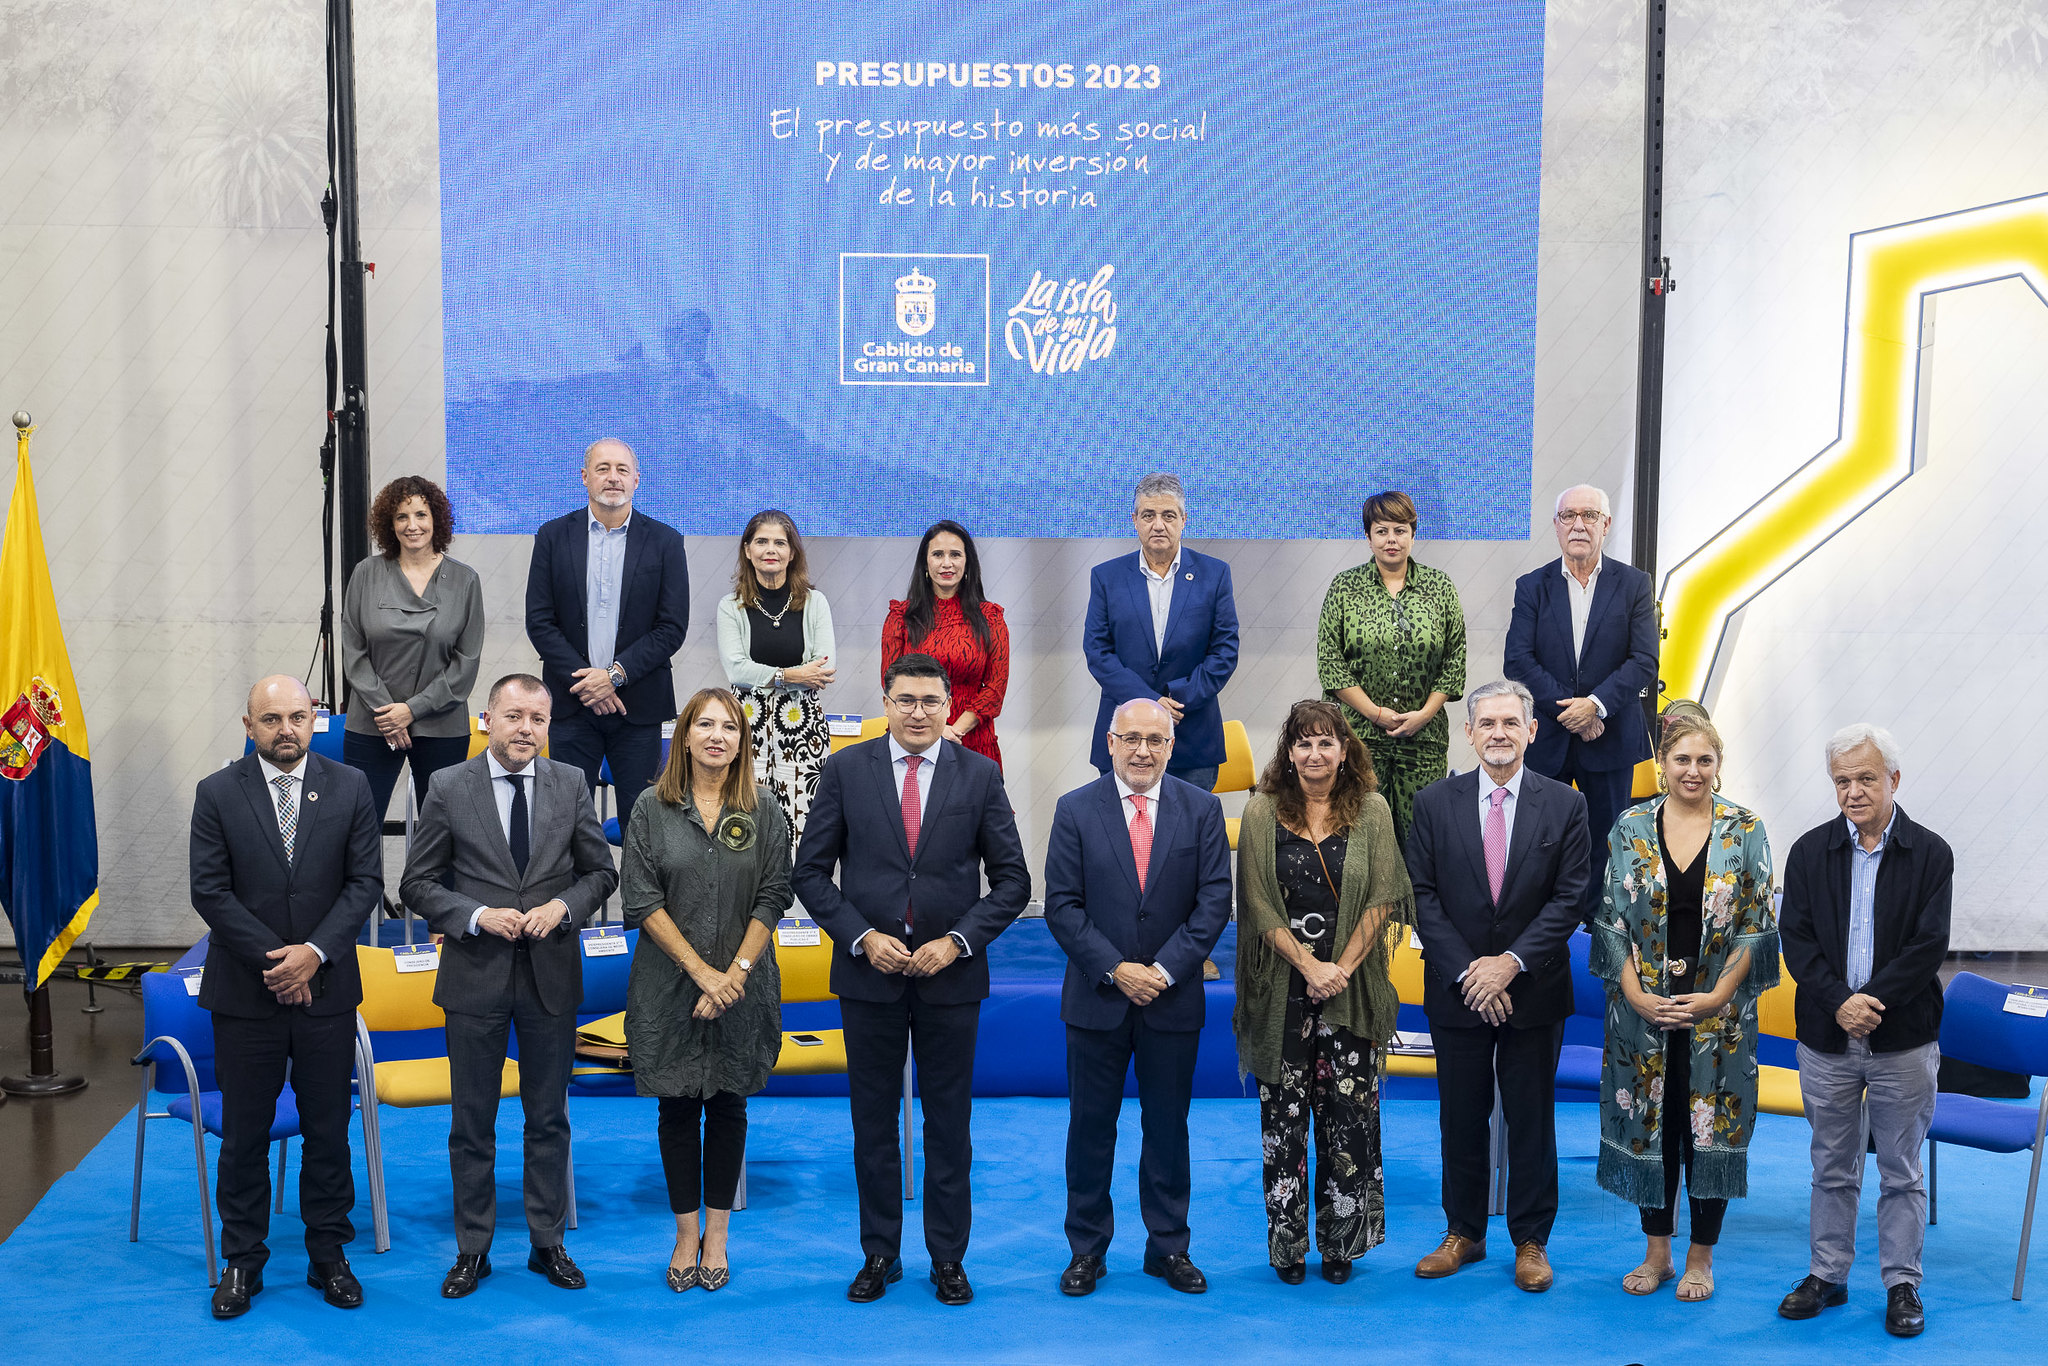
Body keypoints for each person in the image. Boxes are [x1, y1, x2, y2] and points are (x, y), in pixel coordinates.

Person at [792, 653, 1031, 1306]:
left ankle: (948, 1258)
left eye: (931, 701)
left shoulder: (979, 775)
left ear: (948, 704)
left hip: (950, 980)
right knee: (872, 1124)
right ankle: (880, 1254)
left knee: (949, 1126)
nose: (919, 712)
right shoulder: (845, 770)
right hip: (868, 977)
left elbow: (1013, 883)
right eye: (907, 700)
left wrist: (957, 943)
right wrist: (861, 936)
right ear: (886, 701)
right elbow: (809, 874)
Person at [399, 673, 619, 1298]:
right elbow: (417, 882)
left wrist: (564, 908)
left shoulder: (572, 783)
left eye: (539, 719)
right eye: (514, 716)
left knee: (547, 1118)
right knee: (473, 1120)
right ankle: (473, 1249)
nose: (526, 729)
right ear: (487, 719)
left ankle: (547, 1243)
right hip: (475, 975)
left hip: (551, 975)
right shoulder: (446, 786)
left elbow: (600, 873)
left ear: (550, 726)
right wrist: (475, 916)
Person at [188, 675, 382, 1319]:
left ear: (316, 719)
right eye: (271, 719)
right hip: (246, 992)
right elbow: (210, 892)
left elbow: (364, 884)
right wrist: (280, 960)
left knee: (329, 1131)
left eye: (298, 717)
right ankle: (243, 1261)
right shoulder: (216, 793)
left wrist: (313, 955)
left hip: (326, 990)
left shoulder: (351, 785)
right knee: (244, 1135)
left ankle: (328, 1255)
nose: (286, 730)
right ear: (248, 726)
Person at [1042, 698, 1233, 1298]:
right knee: (1090, 1129)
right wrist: (1117, 968)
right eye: (1131, 739)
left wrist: (1164, 970)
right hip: (1098, 999)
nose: (1143, 750)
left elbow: (1213, 905)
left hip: (1171, 1001)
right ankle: (1086, 1250)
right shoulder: (1074, 810)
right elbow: (1062, 907)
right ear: (1110, 742)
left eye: (1155, 740)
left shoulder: (1202, 810)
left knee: (1169, 1128)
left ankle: (1168, 1247)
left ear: (1172, 747)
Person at [1405, 679, 1590, 1293]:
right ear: (1469, 733)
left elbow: (1570, 900)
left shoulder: (1566, 806)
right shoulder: (1433, 803)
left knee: (1532, 1117)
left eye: (1511, 723)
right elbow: (1422, 898)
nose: (1499, 734)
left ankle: (1531, 1240)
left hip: (1532, 990)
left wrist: (1508, 963)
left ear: (1532, 731)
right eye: (1488, 724)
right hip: (1458, 989)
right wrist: (1471, 972)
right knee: (1460, 1115)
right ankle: (1463, 1232)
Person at [1592, 711, 1778, 1302]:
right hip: (1641, 1017)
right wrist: (1637, 995)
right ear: (1662, 765)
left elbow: (1757, 927)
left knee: (1708, 1132)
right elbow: (1610, 923)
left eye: (1704, 760)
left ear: (1718, 766)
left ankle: (1701, 1257)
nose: (1692, 771)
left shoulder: (1745, 830)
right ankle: (1658, 1254)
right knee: (1657, 1126)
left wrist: (1718, 996)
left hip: (1717, 1019)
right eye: (1682, 760)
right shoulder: (1629, 827)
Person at [1776, 723, 1951, 1339]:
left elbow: (1928, 947)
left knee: (1902, 1168)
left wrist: (1869, 1001)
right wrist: (1839, 1003)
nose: (1853, 791)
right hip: (1826, 1037)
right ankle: (1828, 1272)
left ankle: (1902, 1283)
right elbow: (1795, 941)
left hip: (1903, 1036)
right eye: (1842, 780)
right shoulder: (1807, 852)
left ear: (1894, 780)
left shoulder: (1932, 853)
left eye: (1865, 778)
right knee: (1831, 1162)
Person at [1233, 700, 1413, 1285]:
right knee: (1282, 1120)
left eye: (1326, 743)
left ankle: (1340, 1245)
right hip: (1281, 988)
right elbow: (1256, 902)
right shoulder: (1262, 811)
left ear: (1344, 750)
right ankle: (1287, 1248)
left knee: (1349, 1119)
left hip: (1352, 986)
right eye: (1303, 744)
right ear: (1289, 752)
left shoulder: (1374, 810)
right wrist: (1309, 965)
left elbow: (1384, 896)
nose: (1315, 754)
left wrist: (1339, 968)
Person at [620, 687, 792, 1292]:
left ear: (743, 741)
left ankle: (717, 1236)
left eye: (730, 727)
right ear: (685, 735)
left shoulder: (764, 809)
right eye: (705, 725)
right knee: (676, 1107)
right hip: (670, 987)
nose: (717, 736)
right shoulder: (649, 807)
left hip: (743, 984)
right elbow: (640, 899)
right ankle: (684, 1234)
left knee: (727, 1105)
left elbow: (774, 895)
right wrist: (703, 975)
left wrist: (734, 976)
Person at [1503, 485, 1658, 918]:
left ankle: (1598, 937)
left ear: (1606, 525)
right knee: (1536, 845)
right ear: (1555, 526)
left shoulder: (1634, 585)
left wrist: (1596, 705)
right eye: (1568, 515)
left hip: (1609, 739)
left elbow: (1644, 659)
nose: (1578, 524)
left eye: (1589, 515)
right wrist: (1573, 711)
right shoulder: (1532, 586)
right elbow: (1517, 659)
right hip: (1548, 738)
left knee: (1606, 846)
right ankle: (1538, 934)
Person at [526, 437, 690, 832]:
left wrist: (613, 676)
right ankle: (566, 897)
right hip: (570, 705)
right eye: (602, 469)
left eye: (621, 470)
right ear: (585, 477)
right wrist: (587, 682)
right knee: (563, 822)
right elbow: (540, 621)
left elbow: (671, 627)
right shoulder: (552, 536)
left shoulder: (666, 541)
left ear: (637, 479)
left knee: (644, 825)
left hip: (638, 709)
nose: (612, 478)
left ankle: (643, 899)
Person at [1316, 489, 1467, 847]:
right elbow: (1331, 663)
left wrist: (1424, 715)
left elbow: (1455, 658)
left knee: (1422, 839)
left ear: (1413, 534)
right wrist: (1376, 714)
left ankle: (1420, 906)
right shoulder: (1344, 587)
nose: (1391, 540)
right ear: (1368, 537)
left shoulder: (1440, 587)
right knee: (1361, 837)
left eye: (1400, 530)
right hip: (1359, 737)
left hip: (1424, 739)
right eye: (1381, 530)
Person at [338, 475, 485, 822]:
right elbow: (353, 651)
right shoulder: (366, 573)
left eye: (421, 514)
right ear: (389, 524)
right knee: (357, 828)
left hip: (442, 726)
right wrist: (389, 713)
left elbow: (466, 663)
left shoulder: (465, 581)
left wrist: (412, 710)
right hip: (373, 723)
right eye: (402, 517)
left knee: (443, 833)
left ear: (436, 519)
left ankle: (428, 882)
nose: (412, 525)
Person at [1083, 472, 1239, 793]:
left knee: (1187, 839)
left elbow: (1224, 651)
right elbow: (1098, 652)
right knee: (1122, 839)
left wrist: (1176, 698)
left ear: (1183, 520)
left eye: (1168, 515)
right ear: (1135, 521)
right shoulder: (1106, 577)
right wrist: (1151, 702)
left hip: (1191, 736)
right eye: (1148, 515)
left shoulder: (1215, 574)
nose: (1158, 524)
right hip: (1124, 738)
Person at [716, 509, 836, 853]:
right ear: (747, 550)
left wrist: (768, 677)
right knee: (743, 824)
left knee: (801, 827)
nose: (771, 549)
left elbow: (824, 669)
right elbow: (736, 670)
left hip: (803, 730)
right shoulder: (731, 606)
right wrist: (790, 675)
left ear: (792, 552)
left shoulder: (815, 603)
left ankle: (796, 906)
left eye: (780, 542)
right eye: (762, 541)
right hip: (745, 729)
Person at [881, 521, 1009, 770]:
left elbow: (995, 690)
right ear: (925, 563)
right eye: (938, 554)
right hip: (913, 732)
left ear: (967, 562)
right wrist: (934, 728)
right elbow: (891, 683)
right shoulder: (901, 616)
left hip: (971, 738)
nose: (947, 563)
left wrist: (954, 731)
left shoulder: (990, 617)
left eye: (955, 555)